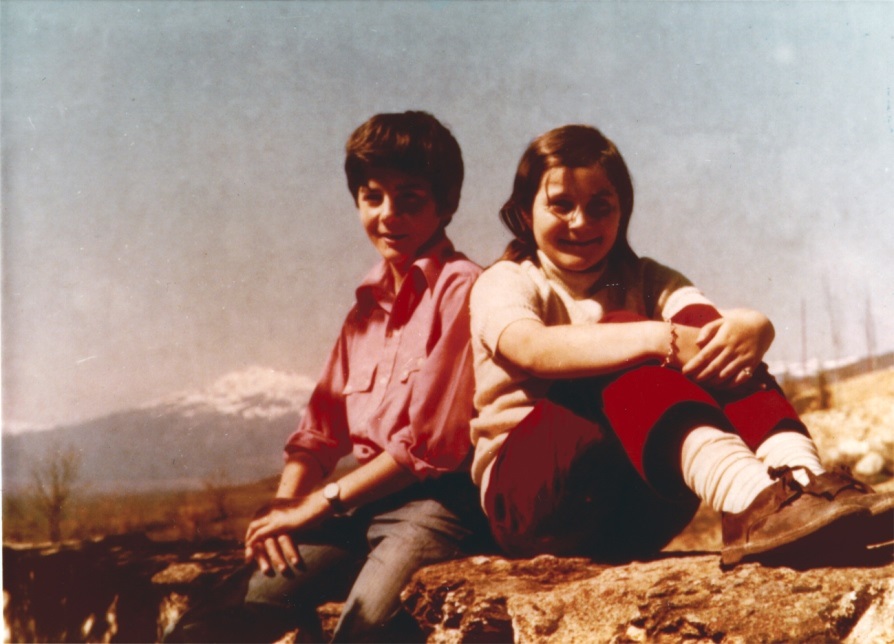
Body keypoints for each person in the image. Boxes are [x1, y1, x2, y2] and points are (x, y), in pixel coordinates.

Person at [469, 124, 894, 569]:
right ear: (524, 211)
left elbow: (708, 330)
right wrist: (654, 337)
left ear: (622, 212)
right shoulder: (507, 280)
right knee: (619, 333)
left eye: (600, 207)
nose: (581, 222)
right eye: (561, 205)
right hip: (532, 504)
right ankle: (746, 497)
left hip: (641, 505)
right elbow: (529, 348)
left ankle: (802, 484)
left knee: (718, 342)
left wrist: (755, 327)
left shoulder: (645, 277)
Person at [166, 111, 486, 643]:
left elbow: (429, 448)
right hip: (360, 507)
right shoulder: (365, 309)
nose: (388, 215)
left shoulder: (463, 291)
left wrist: (322, 502)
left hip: (439, 507)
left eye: (410, 198)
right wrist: (288, 508)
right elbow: (318, 430)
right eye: (372, 196)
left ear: (447, 204)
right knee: (209, 625)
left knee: (361, 631)